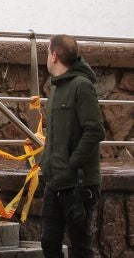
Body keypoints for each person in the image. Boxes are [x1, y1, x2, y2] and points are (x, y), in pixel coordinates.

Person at [40, 34, 104, 258]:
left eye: (47, 52)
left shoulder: (82, 86)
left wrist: (72, 164)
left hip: (78, 183)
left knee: (80, 247)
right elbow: (56, 136)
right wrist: (44, 166)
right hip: (55, 181)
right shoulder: (56, 88)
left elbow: (95, 130)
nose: (46, 58)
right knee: (49, 242)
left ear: (54, 56)